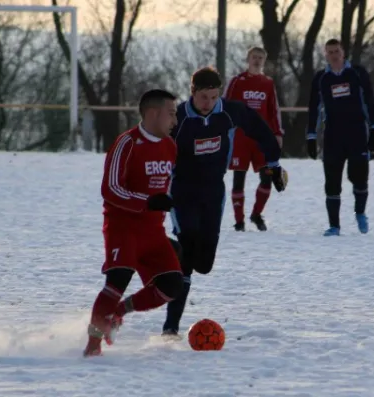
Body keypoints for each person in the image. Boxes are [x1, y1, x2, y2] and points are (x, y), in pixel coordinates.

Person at [161, 66, 287, 338]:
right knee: (187, 251)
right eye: (204, 97)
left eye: (214, 97)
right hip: (183, 191)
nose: (209, 103)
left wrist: (273, 163)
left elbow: (260, 130)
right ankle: (170, 326)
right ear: (192, 93)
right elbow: (155, 146)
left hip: (213, 192)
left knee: (203, 264)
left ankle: (171, 255)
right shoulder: (179, 117)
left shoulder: (229, 111)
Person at [83, 89, 183, 357]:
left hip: (153, 231)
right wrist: (147, 201)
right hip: (123, 228)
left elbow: (168, 190)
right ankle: (92, 346)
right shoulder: (126, 143)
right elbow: (110, 189)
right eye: (171, 113)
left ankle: (118, 312)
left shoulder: (170, 146)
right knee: (117, 280)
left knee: (172, 285)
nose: (175, 120)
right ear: (153, 113)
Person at [306, 38, 374, 236]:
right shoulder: (322, 78)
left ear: (343, 52)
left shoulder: (357, 73)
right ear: (325, 55)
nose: (334, 55)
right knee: (332, 181)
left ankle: (360, 212)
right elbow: (314, 108)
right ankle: (334, 226)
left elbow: (369, 101)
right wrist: (311, 136)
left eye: (336, 51)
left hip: (356, 133)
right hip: (332, 136)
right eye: (329, 52)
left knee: (359, 178)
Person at [223, 46, 284, 231]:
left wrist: (277, 134)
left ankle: (256, 214)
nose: (257, 60)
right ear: (248, 59)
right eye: (254, 57)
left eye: (260, 57)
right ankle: (239, 221)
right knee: (238, 178)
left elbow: (273, 111)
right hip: (240, 138)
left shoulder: (267, 83)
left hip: (261, 138)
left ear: (264, 61)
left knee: (267, 178)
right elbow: (225, 106)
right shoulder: (237, 81)